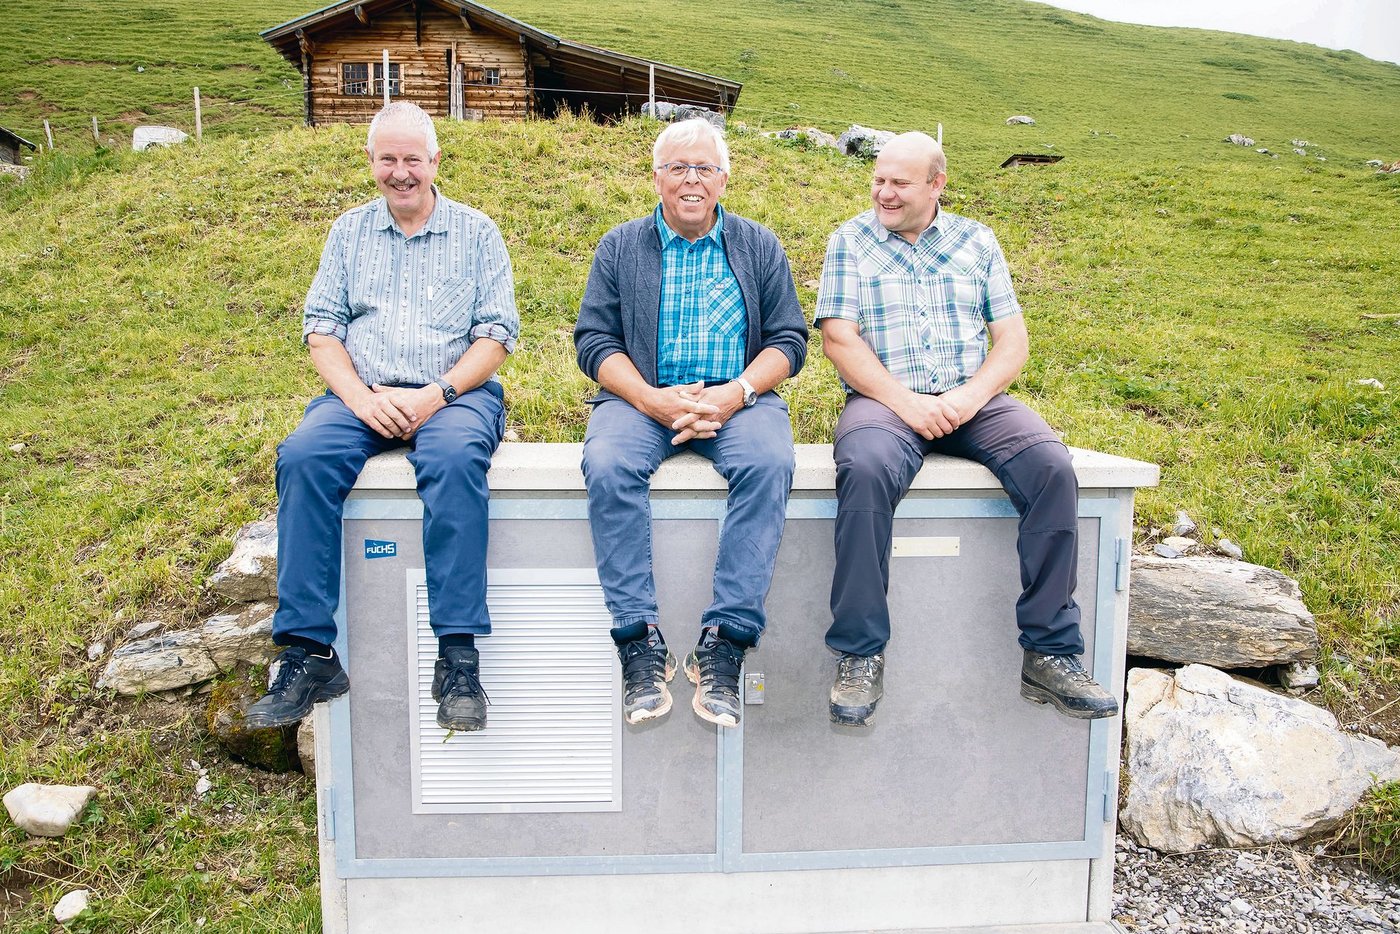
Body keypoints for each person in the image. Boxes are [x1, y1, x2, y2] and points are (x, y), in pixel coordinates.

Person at [814, 131, 1117, 727]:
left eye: (899, 183)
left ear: (937, 184)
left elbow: (1012, 340)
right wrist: (907, 403)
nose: (884, 193)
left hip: (971, 399)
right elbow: (838, 340)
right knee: (865, 469)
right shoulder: (850, 240)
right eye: (878, 180)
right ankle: (859, 652)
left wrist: (969, 397)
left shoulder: (977, 241)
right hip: (885, 401)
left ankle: (1049, 652)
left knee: (1051, 467)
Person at [245, 102, 519, 733]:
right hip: (363, 394)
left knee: (453, 460)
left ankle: (458, 657)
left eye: (412, 159)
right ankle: (309, 652)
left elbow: (497, 336)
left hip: (455, 394)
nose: (401, 172)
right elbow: (321, 331)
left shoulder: (477, 232)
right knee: (304, 457)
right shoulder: (348, 233)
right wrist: (363, 400)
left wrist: (434, 396)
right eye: (388, 159)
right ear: (371, 161)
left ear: (435, 161)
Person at [574, 118, 807, 728]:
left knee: (769, 463)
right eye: (677, 167)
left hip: (738, 401)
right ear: (657, 178)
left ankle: (726, 642)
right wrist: (651, 400)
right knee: (608, 463)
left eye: (704, 167)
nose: (691, 180)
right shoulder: (620, 247)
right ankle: (638, 642)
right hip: (641, 400)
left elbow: (789, 339)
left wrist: (735, 394)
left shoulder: (758, 245)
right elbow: (594, 341)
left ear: (724, 179)